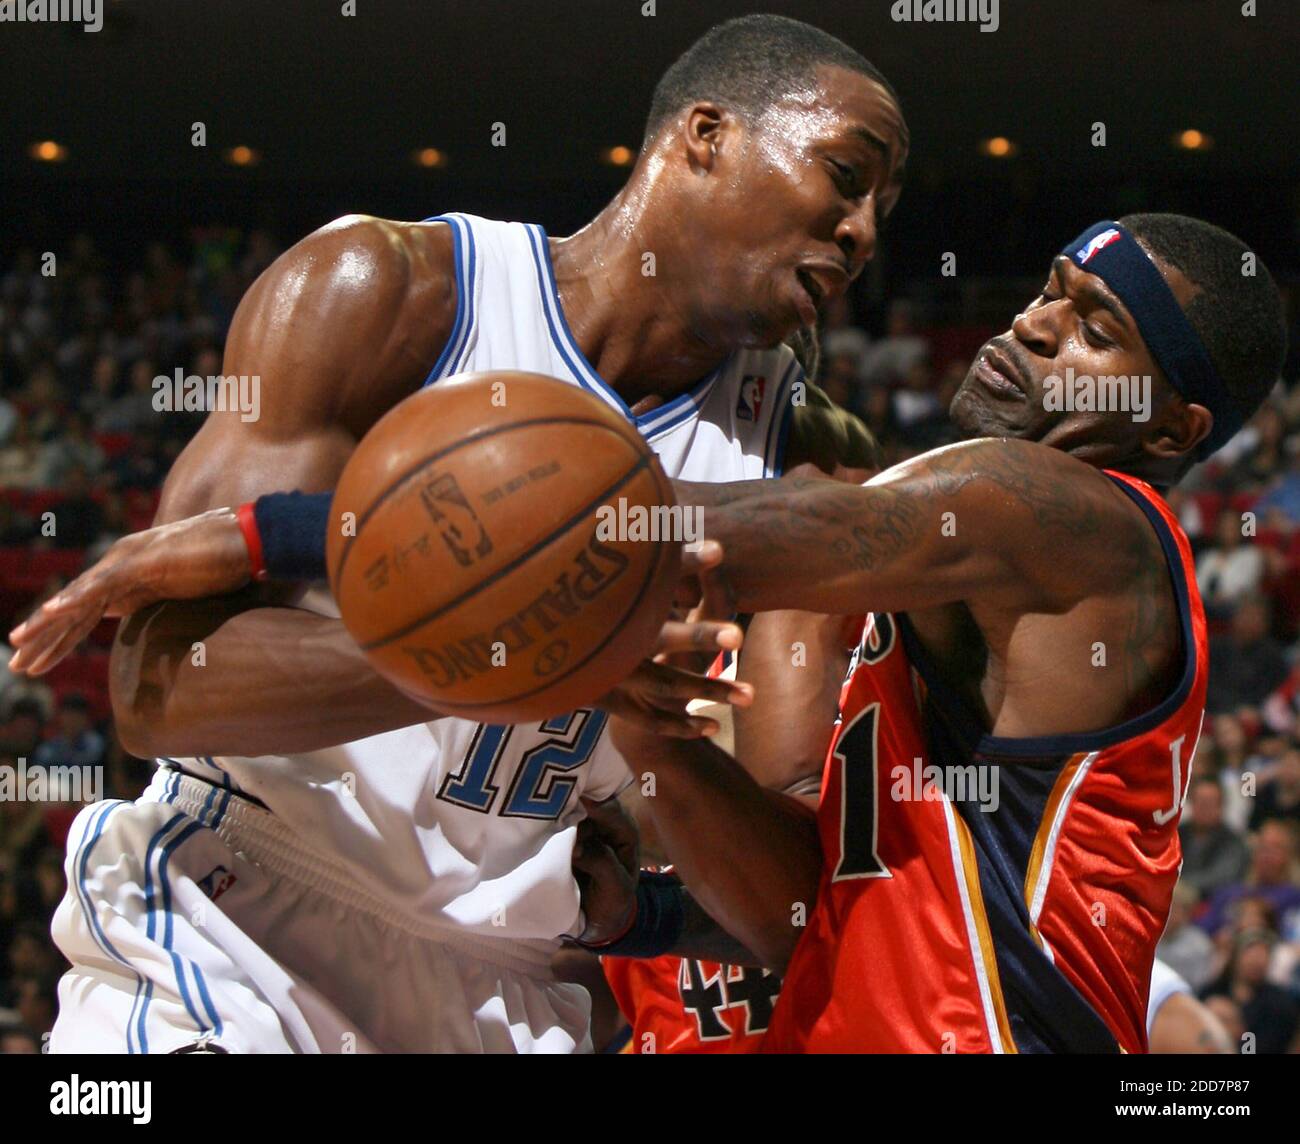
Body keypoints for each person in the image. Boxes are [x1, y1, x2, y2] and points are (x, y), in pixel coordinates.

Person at [8, 14, 902, 1053]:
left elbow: (793, 909)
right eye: (845, 175)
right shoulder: (389, 294)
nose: (863, 232)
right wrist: (525, 657)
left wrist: (656, 748)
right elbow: (158, 691)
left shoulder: (813, 458)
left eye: (884, 208)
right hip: (234, 912)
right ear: (704, 134)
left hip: (510, 986)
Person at [608, 212, 1287, 1052]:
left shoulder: (1086, 522)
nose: (1034, 325)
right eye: (1049, 292)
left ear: (1171, 429)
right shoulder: (956, 583)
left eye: (1095, 329)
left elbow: (779, 527)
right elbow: (815, 906)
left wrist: (542, 509)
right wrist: (648, 871)